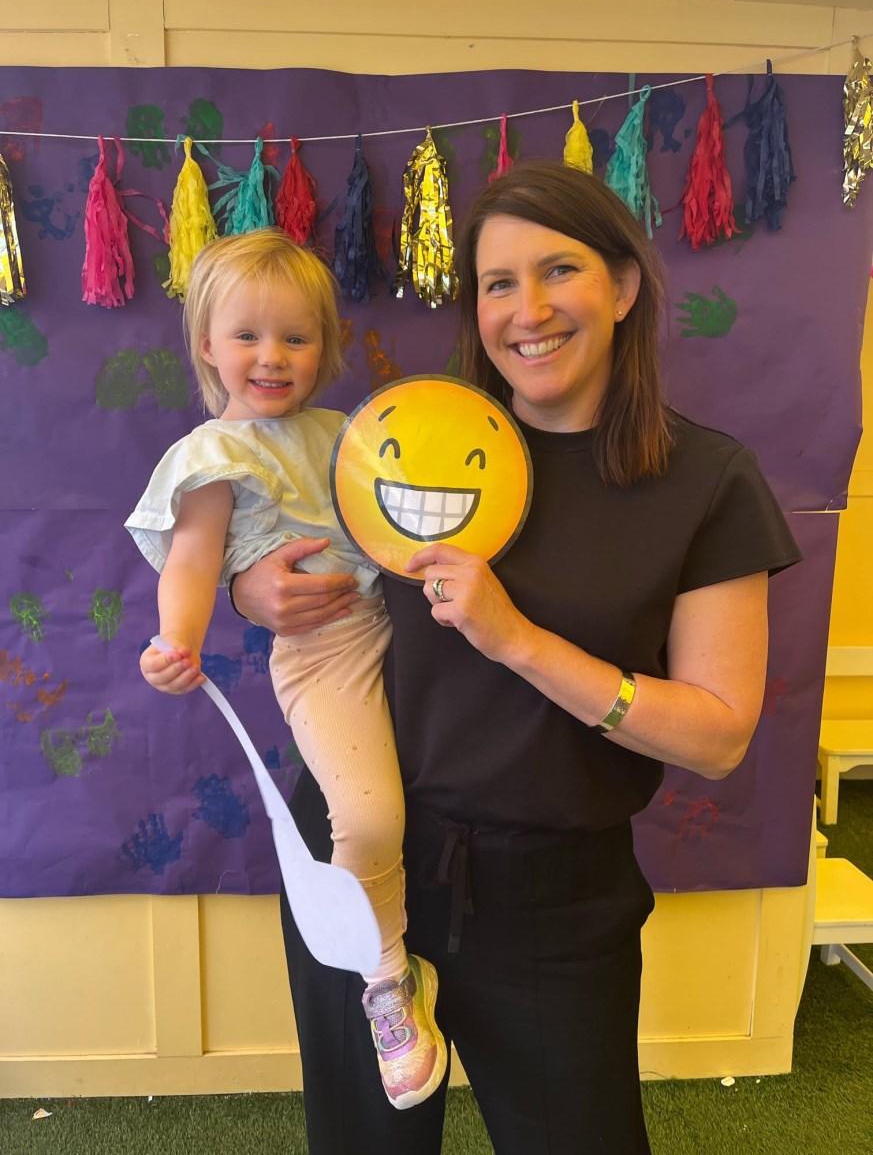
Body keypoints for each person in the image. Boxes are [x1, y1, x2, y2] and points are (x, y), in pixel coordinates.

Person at [230, 162, 802, 1155]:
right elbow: (268, 533)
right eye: (498, 283)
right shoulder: (405, 440)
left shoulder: (706, 483)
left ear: (622, 287)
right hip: (366, 866)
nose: (526, 310)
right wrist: (254, 589)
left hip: (555, 898)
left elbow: (717, 736)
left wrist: (520, 642)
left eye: (559, 271)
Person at [125, 228, 447, 1111]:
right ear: (207, 345)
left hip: (411, 628)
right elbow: (193, 559)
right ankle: (387, 979)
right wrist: (177, 638)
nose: (271, 356)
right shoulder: (213, 454)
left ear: (325, 346)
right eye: (247, 336)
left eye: (295, 337)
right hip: (329, 649)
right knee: (367, 816)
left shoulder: (342, 433)